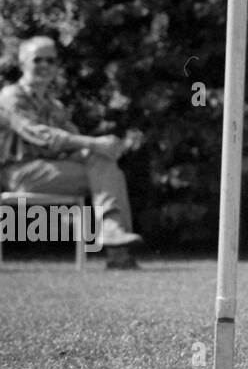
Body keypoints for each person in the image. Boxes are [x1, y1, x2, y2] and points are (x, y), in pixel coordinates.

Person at [0, 36, 142, 268]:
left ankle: (114, 238)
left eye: (51, 60)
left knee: (101, 163)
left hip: (51, 170)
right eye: (38, 59)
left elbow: (74, 142)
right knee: (104, 169)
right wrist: (95, 145)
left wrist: (101, 149)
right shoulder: (11, 96)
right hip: (19, 173)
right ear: (22, 62)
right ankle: (116, 246)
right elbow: (38, 134)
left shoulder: (55, 106)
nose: (45, 65)